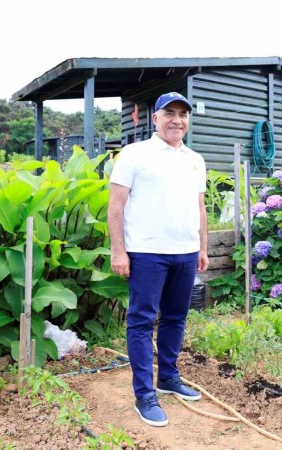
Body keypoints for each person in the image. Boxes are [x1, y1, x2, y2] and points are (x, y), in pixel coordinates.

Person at [108, 92, 209, 427]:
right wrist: (118, 251)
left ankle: (168, 377)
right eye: (169, 113)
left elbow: (200, 207)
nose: (176, 120)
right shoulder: (135, 154)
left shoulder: (195, 159)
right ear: (155, 118)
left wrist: (203, 248)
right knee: (141, 321)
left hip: (185, 251)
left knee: (176, 318)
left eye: (183, 114)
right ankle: (144, 395)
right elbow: (116, 207)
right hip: (147, 252)